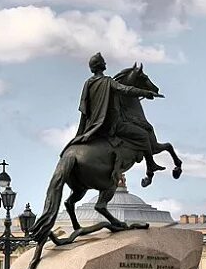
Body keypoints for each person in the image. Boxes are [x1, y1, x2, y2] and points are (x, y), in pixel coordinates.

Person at [64, 52, 165, 182]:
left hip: (91, 126)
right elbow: (126, 90)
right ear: (101, 66)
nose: (106, 63)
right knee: (144, 135)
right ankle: (151, 165)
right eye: (104, 62)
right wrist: (146, 93)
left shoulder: (88, 83)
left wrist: (82, 131)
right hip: (111, 125)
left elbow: (83, 108)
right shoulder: (108, 82)